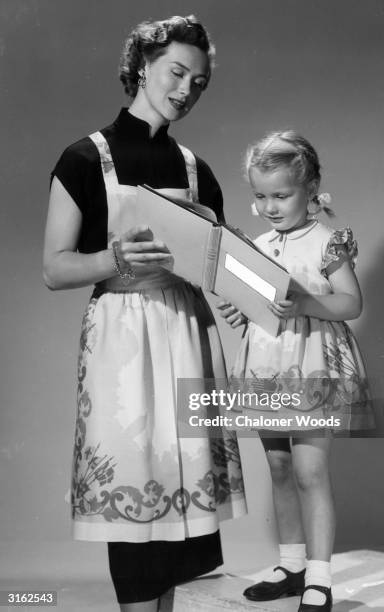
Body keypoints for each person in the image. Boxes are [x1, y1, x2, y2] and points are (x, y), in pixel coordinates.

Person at [43, 15, 246, 612]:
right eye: (177, 73)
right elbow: (54, 269)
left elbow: (219, 262)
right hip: (123, 331)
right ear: (141, 65)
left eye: (199, 82)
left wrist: (240, 292)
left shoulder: (195, 170)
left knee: (183, 495)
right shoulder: (84, 158)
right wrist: (112, 256)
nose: (186, 90)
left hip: (186, 327)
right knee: (138, 481)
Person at [218, 131, 372, 612]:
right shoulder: (258, 244)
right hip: (267, 363)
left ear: (312, 188)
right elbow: (261, 300)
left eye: (281, 195)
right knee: (280, 467)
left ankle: (320, 578)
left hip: (310, 365)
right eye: (260, 196)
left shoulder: (327, 242)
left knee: (309, 470)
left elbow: (351, 302)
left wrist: (306, 301)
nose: (269, 206)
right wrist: (244, 310)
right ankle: (291, 565)